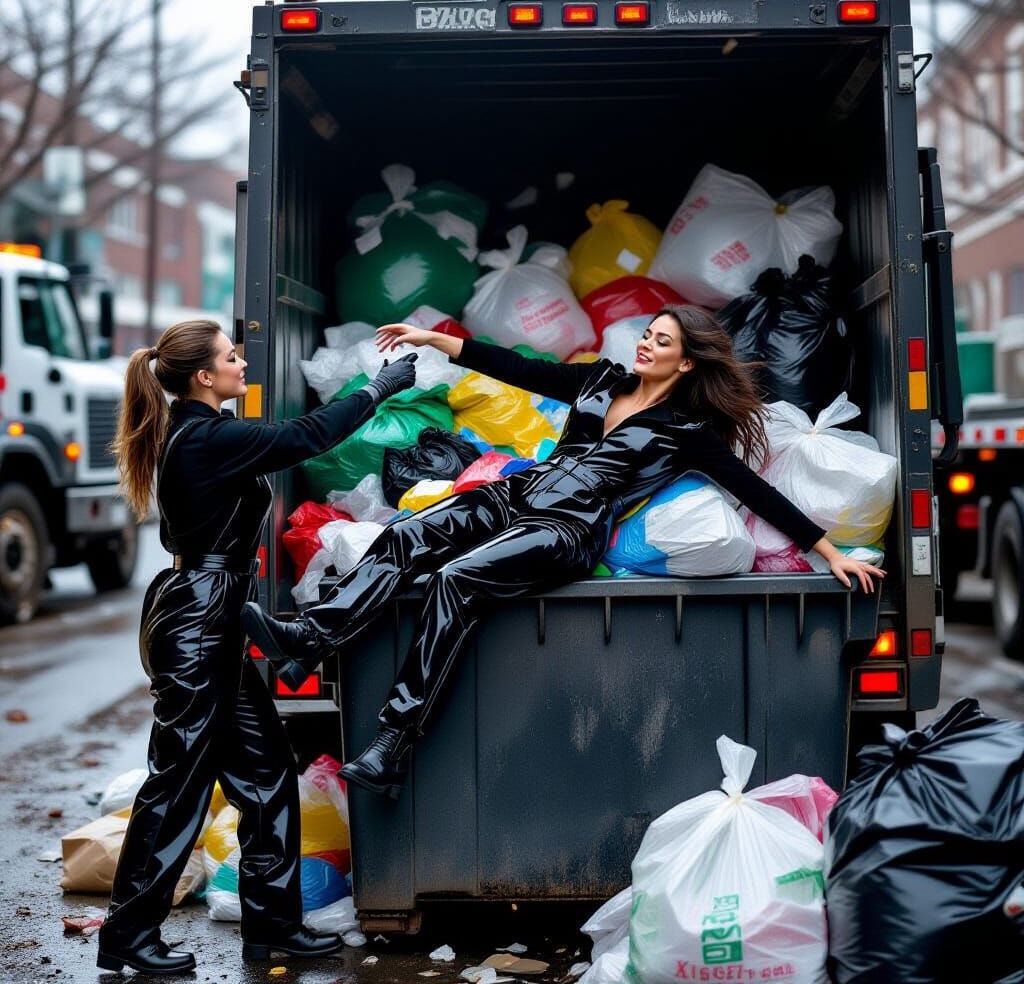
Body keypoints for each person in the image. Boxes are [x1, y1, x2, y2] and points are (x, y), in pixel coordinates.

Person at [242, 307, 885, 801]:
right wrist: (444, 344)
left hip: (569, 529)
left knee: (457, 580)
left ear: (687, 363)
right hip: (519, 491)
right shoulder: (602, 382)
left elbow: (757, 492)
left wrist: (828, 551)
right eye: (648, 334)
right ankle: (309, 634)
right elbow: (524, 372)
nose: (646, 344)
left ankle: (390, 743)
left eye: (663, 341)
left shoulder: (689, 430)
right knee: (407, 536)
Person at [96, 318, 416, 975]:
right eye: (231, 357)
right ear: (204, 378)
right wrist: (378, 386)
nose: (243, 364)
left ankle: (272, 928)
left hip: (214, 617)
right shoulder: (206, 435)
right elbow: (308, 436)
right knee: (176, 785)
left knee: (268, 775)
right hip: (198, 622)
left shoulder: (203, 433)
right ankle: (127, 936)